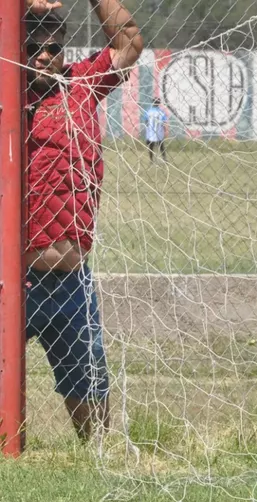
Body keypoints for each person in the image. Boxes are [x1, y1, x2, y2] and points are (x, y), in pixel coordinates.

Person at [24, 0, 143, 440]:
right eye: (34, 47)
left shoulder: (82, 84)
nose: (44, 55)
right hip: (17, 280)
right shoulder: (9, 94)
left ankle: (96, 457)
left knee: (91, 402)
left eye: (53, 47)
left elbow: (130, 44)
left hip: (73, 282)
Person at [144, 97, 168, 163]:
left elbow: (146, 121)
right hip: (159, 132)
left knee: (150, 146)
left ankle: (151, 160)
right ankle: (164, 159)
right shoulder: (161, 112)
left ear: (153, 103)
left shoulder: (148, 111)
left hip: (150, 132)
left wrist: (147, 128)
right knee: (161, 146)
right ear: (159, 103)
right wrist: (165, 130)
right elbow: (164, 122)